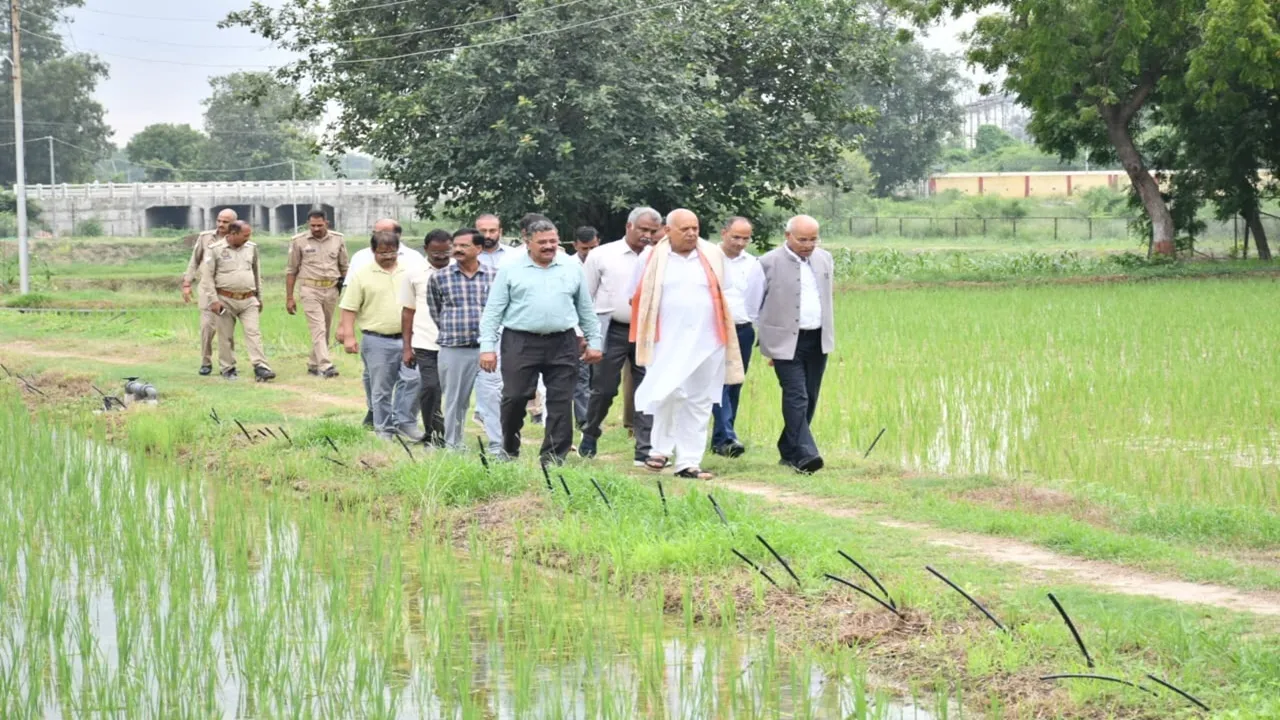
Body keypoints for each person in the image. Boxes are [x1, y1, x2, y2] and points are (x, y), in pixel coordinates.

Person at [630, 209, 743, 480]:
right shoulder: (651, 257)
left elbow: (723, 288)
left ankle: (689, 462)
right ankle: (659, 450)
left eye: (695, 228)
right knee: (667, 392)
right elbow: (637, 297)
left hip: (708, 339)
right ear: (668, 231)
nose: (692, 233)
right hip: (666, 340)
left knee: (700, 400)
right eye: (685, 229)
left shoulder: (712, 255)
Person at [479, 219, 602, 464]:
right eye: (542, 242)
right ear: (528, 243)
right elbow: (493, 311)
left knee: (560, 399)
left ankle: (553, 457)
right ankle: (509, 448)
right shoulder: (511, 268)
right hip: (520, 341)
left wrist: (595, 341)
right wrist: (487, 348)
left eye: (553, 241)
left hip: (563, 342)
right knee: (514, 397)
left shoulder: (571, 267)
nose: (548, 246)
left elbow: (586, 309)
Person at [578, 206, 662, 464]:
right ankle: (591, 432)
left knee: (647, 388)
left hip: (647, 332)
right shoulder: (603, 255)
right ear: (629, 227)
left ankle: (644, 449)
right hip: (611, 328)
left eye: (652, 231)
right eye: (643, 229)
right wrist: (583, 334)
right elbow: (584, 296)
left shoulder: (660, 257)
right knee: (603, 389)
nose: (647, 235)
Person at [757, 214, 835, 474]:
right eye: (802, 239)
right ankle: (805, 454)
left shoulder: (825, 259)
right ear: (787, 236)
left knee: (810, 396)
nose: (808, 244)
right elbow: (755, 304)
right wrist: (766, 345)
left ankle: (788, 449)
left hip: (817, 338)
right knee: (796, 395)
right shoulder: (768, 262)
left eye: (813, 239)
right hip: (784, 342)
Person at [338, 230, 423, 441]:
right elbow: (349, 308)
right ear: (373, 250)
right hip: (377, 340)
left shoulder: (410, 271)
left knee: (415, 379)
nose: (387, 256)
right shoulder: (362, 274)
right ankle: (384, 429)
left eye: (392, 252)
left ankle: (405, 421)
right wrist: (348, 335)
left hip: (410, 338)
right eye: (382, 252)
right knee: (381, 388)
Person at [428, 229, 498, 452]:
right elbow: (436, 311)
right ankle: (453, 447)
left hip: (490, 349)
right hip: (454, 348)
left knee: (494, 398)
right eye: (455, 245)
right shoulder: (439, 277)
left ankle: (499, 448)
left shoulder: (495, 276)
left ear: (478, 249)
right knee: (455, 401)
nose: (457, 250)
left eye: (464, 246)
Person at [710, 216, 765, 458]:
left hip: (743, 329)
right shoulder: (709, 260)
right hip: (714, 328)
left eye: (745, 238)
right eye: (736, 237)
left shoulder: (754, 264)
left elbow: (760, 299)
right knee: (718, 381)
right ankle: (728, 436)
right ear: (724, 233)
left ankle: (721, 439)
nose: (741, 242)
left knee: (735, 382)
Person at [200, 220, 276, 382]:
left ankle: (261, 366)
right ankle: (227, 368)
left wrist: (259, 297)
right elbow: (207, 278)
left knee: (254, 333)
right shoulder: (215, 250)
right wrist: (213, 300)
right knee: (226, 336)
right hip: (224, 299)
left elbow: (256, 273)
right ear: (233, 234)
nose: (248, 238)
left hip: (248, 299)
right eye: (245, 235)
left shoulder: (251, 248)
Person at [401, 229, 453, 447]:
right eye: (435, 252)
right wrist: (406, 347)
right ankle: (433, 434)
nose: (441, 256)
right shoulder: (413, 273)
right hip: (424, 342)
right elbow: (407, 311)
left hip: (454, 343)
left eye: (446, 251)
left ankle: (450, 435)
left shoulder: (459, 271)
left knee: (451, 391)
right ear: (426, 250)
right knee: (430, 388)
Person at [285, 210, 348, 378]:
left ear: (326, 223)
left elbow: (344, 267)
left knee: (325, 328)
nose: (316, 228)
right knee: (318, 328)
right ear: (308, 224)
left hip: (332, 289)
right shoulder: (299, 241)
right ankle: (325, 366)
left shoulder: (338, 239)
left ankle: (313, 363)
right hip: (310, 289)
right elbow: (291, 270)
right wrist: (290, 297)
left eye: (319, 225)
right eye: (312, 225)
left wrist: (346, 288)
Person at [183, 208, 237, 376]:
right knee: (207, 327)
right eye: (219, 220)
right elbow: (194, 260)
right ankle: (206, 361)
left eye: (225, 222)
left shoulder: (238, 239)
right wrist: (186, 283)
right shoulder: (205, 237)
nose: (221, 224)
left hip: (228, 290)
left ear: (233, 224)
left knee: (226, 329)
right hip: (207, 289)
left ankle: (228, 364)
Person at [569, 226, 601, 428]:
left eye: (593, 248)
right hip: (576, 329)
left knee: (596, 379)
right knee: (580, 377)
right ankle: (584, 420)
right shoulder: (568, 266)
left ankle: (593, 416)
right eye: (584, 249)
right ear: (575, 246)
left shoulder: (604, 262)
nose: (589, 253)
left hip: (601, 326)